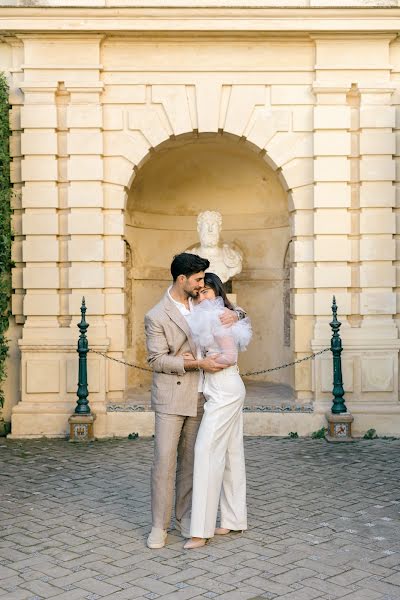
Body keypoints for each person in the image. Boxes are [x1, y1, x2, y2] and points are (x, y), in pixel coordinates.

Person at [144, 253, 244, 549]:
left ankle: (185, 519)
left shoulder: (202, 300)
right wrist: (191, 364)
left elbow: (230, 310)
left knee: (191, 461)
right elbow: (156, 359)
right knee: (164, 462)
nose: (203, 284)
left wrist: (238, 315)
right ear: (182, 279)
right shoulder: (157, 315)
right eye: (198, 279)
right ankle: (158, 527)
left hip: (203, 395)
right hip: (172, 396)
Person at [183, 272, 252, 550]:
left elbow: (229, 356)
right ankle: (234, 520)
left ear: (218, 292)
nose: (201, 296)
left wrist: (201, 362)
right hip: (222, 388)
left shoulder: (219, 317)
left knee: (206, 451)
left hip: (225, 388)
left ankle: (200, 530)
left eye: (207, 292)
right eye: (198, 293)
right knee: (231, 454)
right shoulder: (215, 315)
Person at [187, 210, 242, 283]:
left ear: (219, 229)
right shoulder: (188, 257)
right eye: (206, 225)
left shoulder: (232, 257)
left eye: (213, 225)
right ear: (199, 229)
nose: (210, 230)